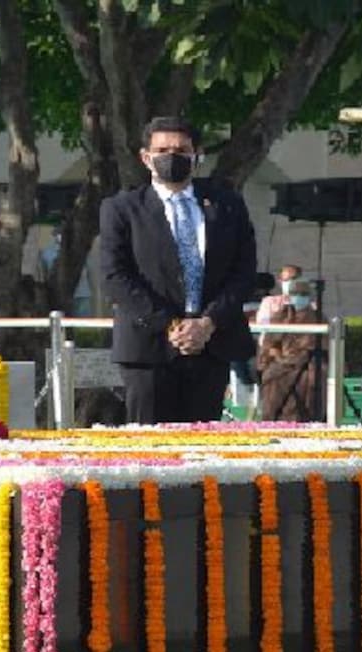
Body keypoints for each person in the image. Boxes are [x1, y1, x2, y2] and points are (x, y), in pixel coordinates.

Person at [99, 116, 256, 423]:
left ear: (197, 156)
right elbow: (114, 275)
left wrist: (207, 324)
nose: (172, 157)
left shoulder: (227, 205)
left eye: (182, 150)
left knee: (203, 455)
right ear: (146, 158)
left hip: (212, 345)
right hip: (149, 349)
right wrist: (171, 326)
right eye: (162, 150)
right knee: (151, 455)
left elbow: (244, 271)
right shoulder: (122, 208)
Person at [257, 279, 325, 421]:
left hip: (306, 362)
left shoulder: (318, 318)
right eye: (295, 293)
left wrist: (295, 359)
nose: (299, 297)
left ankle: (304, 419)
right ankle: (273, 419)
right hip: (280, 361)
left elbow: (316, 346)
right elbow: (270, 343)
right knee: (270, 375)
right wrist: (276, 354)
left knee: (308, 379)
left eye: (303, 294)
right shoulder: (280, 316)